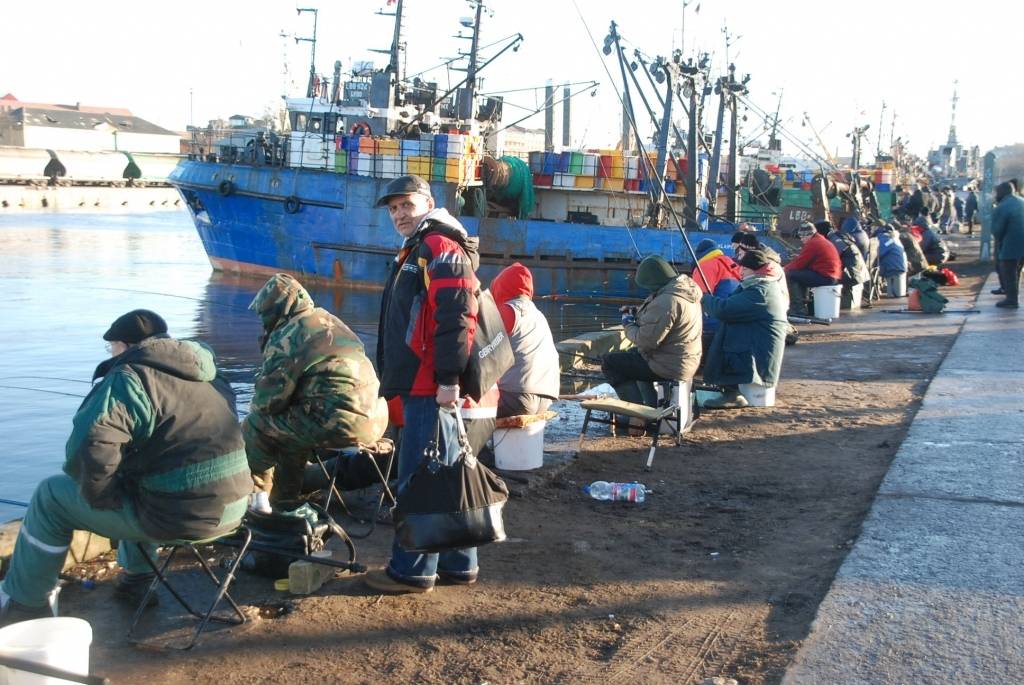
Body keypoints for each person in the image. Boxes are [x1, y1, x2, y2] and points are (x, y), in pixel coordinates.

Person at [0, 310, 252, 626]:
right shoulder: (210, 373)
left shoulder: (130, 379)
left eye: (112, 347)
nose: (111, 354)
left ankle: (26, 606)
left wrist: (100, 495)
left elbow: (87, 448)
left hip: (179, 520)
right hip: (235, 510)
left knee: (49, 495)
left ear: (125, 345)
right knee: (139, 478)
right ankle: (137, 582)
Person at [367, 174, 481, 594]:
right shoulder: (421, 247)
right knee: (445, 474)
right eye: (394, 208)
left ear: (429, 204)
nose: (399, 214)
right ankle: (458, 562)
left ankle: (411, 570)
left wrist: (448, 380)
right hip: (425, 382)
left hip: (427, 385)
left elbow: (457, 317)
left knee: (417, 478)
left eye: (407, 205)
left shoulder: (438, 247)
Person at [243, 274, 389, 511]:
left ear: (275, 309)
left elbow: (267, 403)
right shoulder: (330, 320)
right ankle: (284, 501)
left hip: (339, 424)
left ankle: (257, 500)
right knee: (291, 430)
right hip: (376, 420)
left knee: (257, 425)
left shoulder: (289, 335)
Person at [601, 255, 702, 410]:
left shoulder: (667, 301)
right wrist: (636, 312)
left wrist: (627, 323)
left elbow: (645, 340)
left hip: (671, 366)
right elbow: (661, 320)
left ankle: (637, 414)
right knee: (634, 355)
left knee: (610, 363)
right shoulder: (682, 291)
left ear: (654, 281)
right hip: (683, 359)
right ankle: (651, 407)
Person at [701, 249, 789, 409]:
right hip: (757, 343)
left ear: (756, 270)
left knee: (721, 340)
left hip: (759, 354)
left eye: (745, 268)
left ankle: (732, 393)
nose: (741, 271)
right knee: (719, 334)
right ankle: (729, 389)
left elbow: (724, 310)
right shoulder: (761, 285)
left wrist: (703, 297)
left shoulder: (760, 291)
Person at [489, 262, 560, 418]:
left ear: (500, 287)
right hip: (546, 398)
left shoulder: (508, 310)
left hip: (515, 397)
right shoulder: (539, 315)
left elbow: (483, 350)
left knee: (459, 405)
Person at [693, 238, 742, 351]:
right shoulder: (731, 263)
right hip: (732, 323)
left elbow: (696, 296)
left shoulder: (705, 266)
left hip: (711, 326)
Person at [784, 222, 841, 316]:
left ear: (808, 235)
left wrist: (783, 269)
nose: (801, 239)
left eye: (802, 237)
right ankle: (804, 304)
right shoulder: (820, 240)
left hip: (826, 277)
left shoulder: (813, 243)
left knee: (789, 275)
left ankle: (798, 308)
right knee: (800, 275)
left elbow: (799, 264)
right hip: (832, 275)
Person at [990, 180, 1024, 308]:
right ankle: (1013, 296)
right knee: (1017, 271)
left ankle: (1012, 300)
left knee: (1008, 272)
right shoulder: (1022, 201)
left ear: (1001, 193)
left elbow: (997, 231)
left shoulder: (1002, 207)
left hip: (1011, 245)